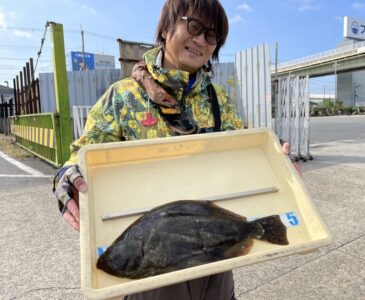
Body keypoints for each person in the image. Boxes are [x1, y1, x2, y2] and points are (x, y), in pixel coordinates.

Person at [53, 1, 296, 299]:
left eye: (211, 36)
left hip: (212, 261)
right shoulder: (123, 97)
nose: (200, 41)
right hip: (151, 275)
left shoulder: (219, 99)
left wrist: (280, 163)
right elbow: (80, 157)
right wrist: (67, 179)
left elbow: (246, 154)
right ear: (167, 28)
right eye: (194, 27)